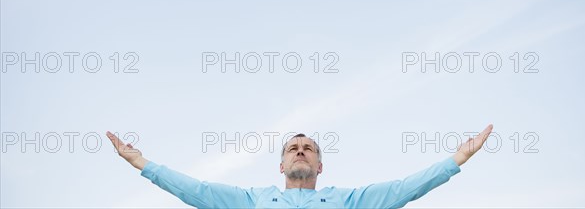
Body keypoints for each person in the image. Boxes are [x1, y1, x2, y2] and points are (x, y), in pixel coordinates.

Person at [106, 124, 493, 208]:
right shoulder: (253, 201)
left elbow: (404, 188)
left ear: (321, 166)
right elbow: (197, 191)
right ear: (281, 165)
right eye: (293, 148)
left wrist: (456, 159)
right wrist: (142, 163)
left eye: (308, 148)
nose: (301, 151)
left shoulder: (348, 201)